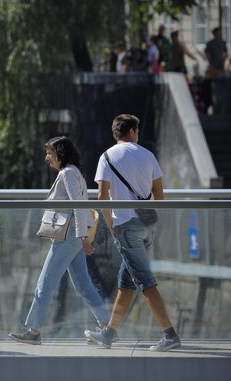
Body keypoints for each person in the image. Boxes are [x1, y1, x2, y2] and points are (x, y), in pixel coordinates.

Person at [86, 114, 181, 352]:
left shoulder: (106, 157)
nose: (138, 134)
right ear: (130, 132)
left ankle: (170, 335)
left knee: (144, 281)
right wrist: (149, 220)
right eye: (137, 130)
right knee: (127, 280)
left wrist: (112, 226)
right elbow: (159, 196)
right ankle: (109, 333)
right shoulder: (148, 155)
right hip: (148, 226)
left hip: (125, 226)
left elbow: (101, 197)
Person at [9, 136, 109, 345]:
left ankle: (33, 331)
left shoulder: (68, 174)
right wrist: (81, 236)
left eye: (50, 153)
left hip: (68, 237)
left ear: (60, 154)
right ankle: (108, 326)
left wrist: (82, 236)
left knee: (44, 283)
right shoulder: (72, 173)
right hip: (73, 236)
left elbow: (78, 206)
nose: (47, 157)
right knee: (84, 285)